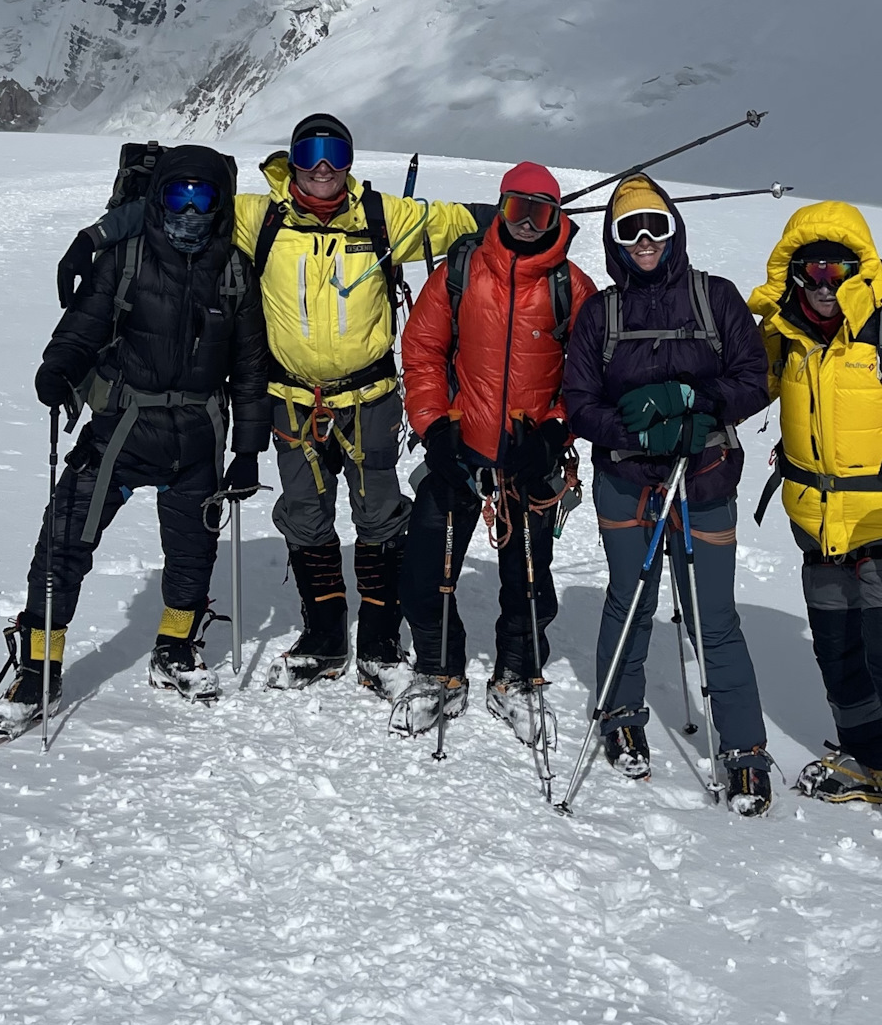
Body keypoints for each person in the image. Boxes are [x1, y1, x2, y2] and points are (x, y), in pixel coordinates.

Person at [0, 144, 270, 742]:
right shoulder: (126, 261)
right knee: (63, 541)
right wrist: (57, 368)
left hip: (198, 439)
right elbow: (83, 327)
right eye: (176, 195)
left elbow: (248, 369)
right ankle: (39, 667)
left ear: (220, 205)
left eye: (203, 197)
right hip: (119, 431)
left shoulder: (236, 272)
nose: (189, 210)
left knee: (193, 555)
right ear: (156, 200)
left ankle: (174, 648)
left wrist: (249, 447)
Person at [748, 202, 882, 869]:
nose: (822, 279)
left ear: (858, 268)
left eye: (836, 265)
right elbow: (741, 388)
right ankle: (868, 762)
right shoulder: (784, 335)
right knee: (839, 653)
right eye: (809, 265)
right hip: (815, 524)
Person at [233, 114, 480, 694]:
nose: (323, 168)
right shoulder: (259, 217)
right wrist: (101, 234)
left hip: (369, 399)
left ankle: (378, 635)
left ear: (350, 162)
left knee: (378, 514)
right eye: (311, 153)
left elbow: (457, 224)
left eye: (336, 154)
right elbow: (180, 206)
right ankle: (323, 636)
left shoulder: (380, 216)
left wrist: (521, 215)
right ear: (291, 160)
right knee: (305, 515)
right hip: (291, 401)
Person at [561, 175, 775, 813]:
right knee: (630, 602)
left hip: (704, 477)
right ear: (615, 240)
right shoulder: (600, 313)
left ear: (675, 230)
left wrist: (701, 404)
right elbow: (577, 401)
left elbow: (754, 377)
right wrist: (633, 427)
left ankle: (743, 747)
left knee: (714, 615)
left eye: (657, 226)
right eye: (631, 229)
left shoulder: (717, 298)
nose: (646, 240)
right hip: (629, 481)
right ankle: (621, 713)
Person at [392, 162, 597, 738]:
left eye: (541, 212)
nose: (528, 224)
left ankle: (518, 677)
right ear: (500, 207)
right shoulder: (458, 273)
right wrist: (434, 427)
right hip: (458, 450)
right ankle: (438, 671)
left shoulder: (571, 287)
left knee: (529, 580)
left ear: (557, 217)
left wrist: (557, 431)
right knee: (428, 568)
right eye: (516, 209)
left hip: (531, 458)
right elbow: (424, 351)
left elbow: (587, 379)